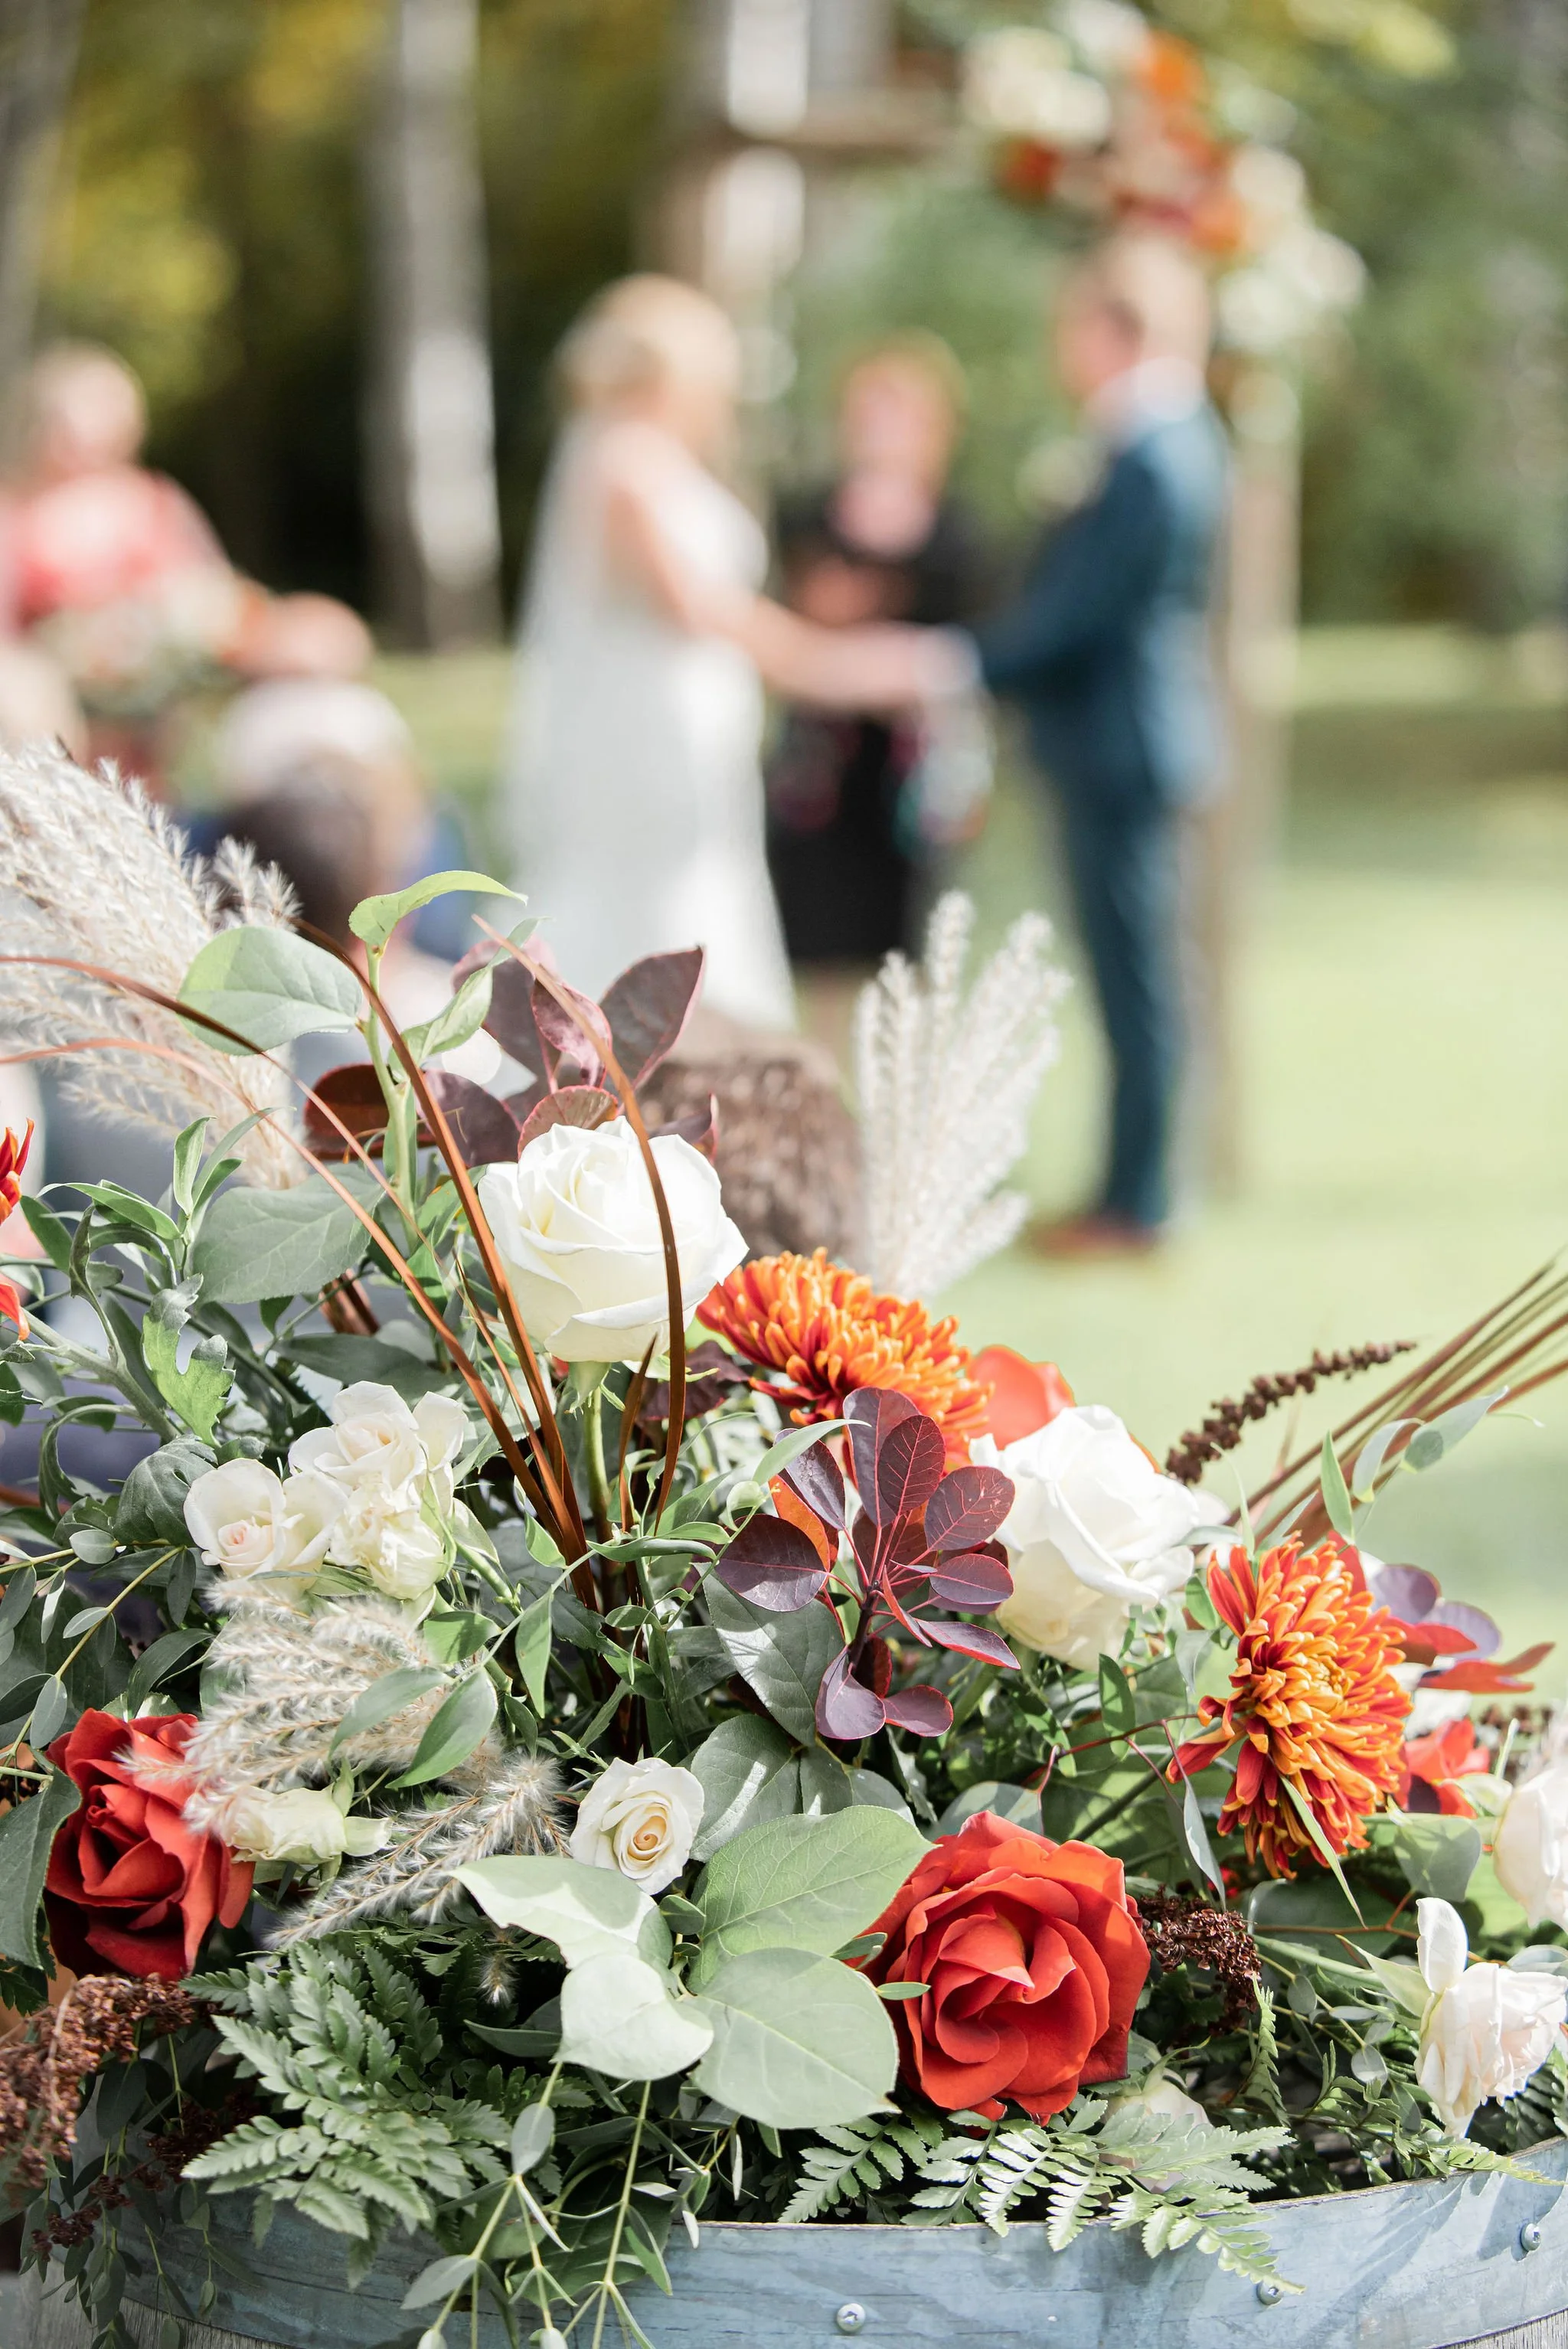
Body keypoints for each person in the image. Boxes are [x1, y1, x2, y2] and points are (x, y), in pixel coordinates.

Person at [501, 275, 962, 1028]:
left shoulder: (651, 458)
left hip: (693, 736)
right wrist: (837, 667)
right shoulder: (621, 463)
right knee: (652, 910)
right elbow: (702, 608)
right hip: (643, 739)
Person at [964, 234, 1228, 1254]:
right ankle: (1128, 1192)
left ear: (1115, 328)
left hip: (1124, 746)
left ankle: (1139, 1203)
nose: (1060, 347)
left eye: (1071, 325)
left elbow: (1080, 616)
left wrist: (960, 662)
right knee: (1131, 981)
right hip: (1118, 744)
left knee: (1139, 985)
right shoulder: (1150, 441)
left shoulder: (1155, 452)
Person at [766, 337, 989, 1064]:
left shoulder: (958, 533)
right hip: (819, 781)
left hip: (913, 785)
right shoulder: (806, 519)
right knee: (822, 961)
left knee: (913, 964)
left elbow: (974, 656)